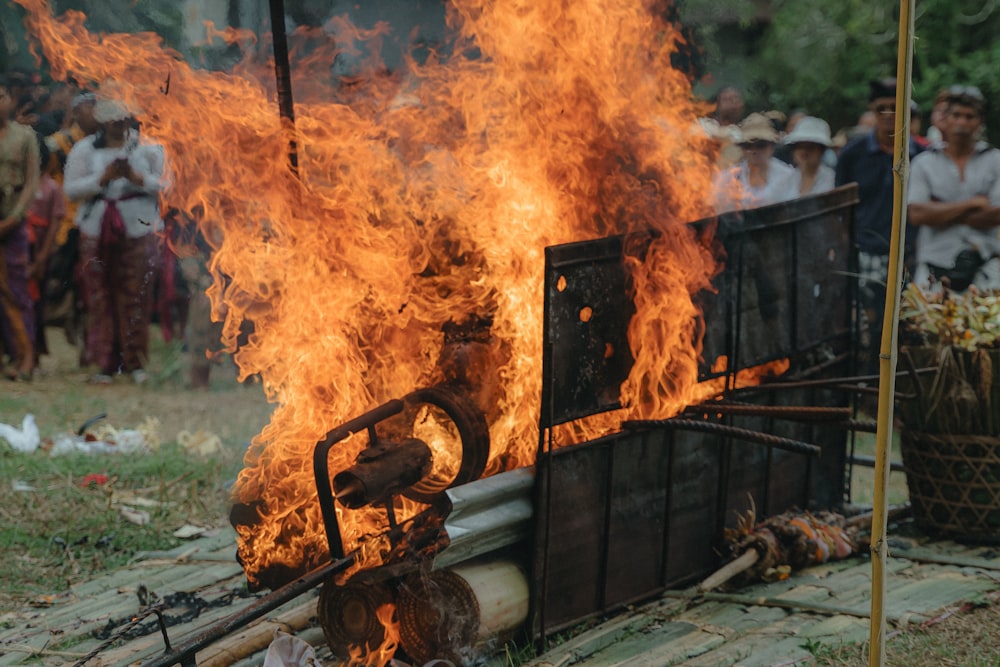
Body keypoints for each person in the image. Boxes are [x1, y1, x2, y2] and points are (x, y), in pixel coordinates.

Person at [63, 97, 165, 384]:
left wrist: (138, 178)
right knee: (100, 295)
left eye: (123, 120)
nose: (118, 126)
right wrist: (101, 179)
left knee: (135, 294)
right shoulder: (85, 149)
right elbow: (70, 190)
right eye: (112, 121)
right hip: (96, 229)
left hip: (139, 227)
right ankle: (105, 362)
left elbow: (169, 186)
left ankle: (135, 362)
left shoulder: (148, 147)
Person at [835, 77, 924, 376]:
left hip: (913, 252)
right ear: (872, 111)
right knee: (871, 327)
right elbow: (842, 209)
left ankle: (904, 394)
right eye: (882, 108)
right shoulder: (853, 154)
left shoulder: (923, 155)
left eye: (895, 108)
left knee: (911, 323)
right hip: (867, 251)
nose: (888, 114)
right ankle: (871, 391)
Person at [908, 86, 1000, 292]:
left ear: (980, 122)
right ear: (945, 119)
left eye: (969, 117)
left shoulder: (996, 161)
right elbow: (916, 214)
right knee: (927, 322)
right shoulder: (923, 163)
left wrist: (939, 208)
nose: (962, 123)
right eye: (956, 115)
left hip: (986, 268)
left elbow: (996, 214)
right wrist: (974, 203)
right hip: (934, 270)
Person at [0, 74, 41, 381]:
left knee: (15, 291)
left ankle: (25, 357)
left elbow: (31, 182)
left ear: (11, 100)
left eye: (1, 96)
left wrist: (14, 217)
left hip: (12, 224)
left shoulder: (24, 136)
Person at [25, 139, 67, 368]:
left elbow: (55, 224)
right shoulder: (19, 185)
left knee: (37, 302)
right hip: (21, 247)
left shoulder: (51, 187)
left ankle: (35, 353)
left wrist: (42, 257)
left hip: (40, 250)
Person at [713, 112, 795, 212]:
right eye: (748, 146)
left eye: (761, 145)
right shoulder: (730, 177)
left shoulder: (787, 176)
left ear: (772, 147)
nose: (754, 151)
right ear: (742, 148)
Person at [779, 116, 836, 199]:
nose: (803, 151)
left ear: (821, 150)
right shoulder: (786, 180)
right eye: (799, 146)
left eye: (810, 147)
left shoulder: (831, 179)